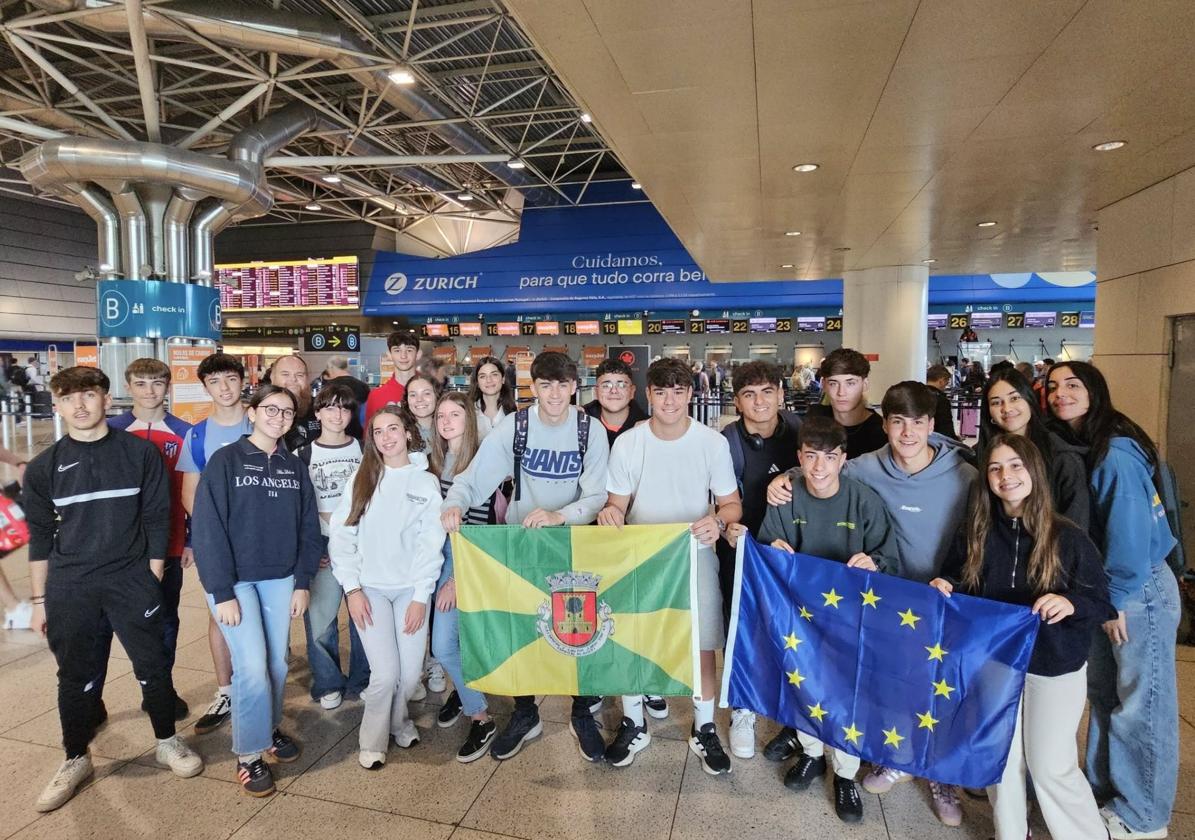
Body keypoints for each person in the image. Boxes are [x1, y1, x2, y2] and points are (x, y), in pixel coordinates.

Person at [767, 381, 978, 825]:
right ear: (885, 426)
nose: (907, 432)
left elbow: (893, 546)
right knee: (852, 685)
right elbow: (814, 468)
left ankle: (929, 774)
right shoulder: (864, 468)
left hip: (937, 597)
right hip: (865, 607)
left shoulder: (965, 475)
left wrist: (880, 563)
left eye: (917, 423)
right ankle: (846, 755)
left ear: (932, 425)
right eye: (898, 422)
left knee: (929, 690)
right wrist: (780, 480)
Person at [21, 366, 203, 812]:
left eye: (88, 395)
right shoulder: (44, 468)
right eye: (68, 398)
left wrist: (152, 576)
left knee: (153, 664)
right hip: (71, 584)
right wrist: (40, 601)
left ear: (106, 399)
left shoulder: (139, 454)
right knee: (75, 675)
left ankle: (166, 740)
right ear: (57, 406)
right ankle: (75, 756)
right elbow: (40, 539)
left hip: (131, 579)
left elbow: (158, 517)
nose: (79, 405)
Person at [931, 433, 1113, 840]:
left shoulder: (1068, 537)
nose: (1005, 476)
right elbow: (956, 578)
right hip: (994, 664)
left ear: (1034, 471)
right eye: (995, 468)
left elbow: (1102, 603)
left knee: (1051, 766)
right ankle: (1010, 833)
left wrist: (1070, 604)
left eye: (1015, 465)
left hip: (1054, 666)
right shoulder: (974, 532)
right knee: (1000, 759)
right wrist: (945, 584)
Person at [441, 351, 610, 763]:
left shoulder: (589, 430)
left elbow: (596, 496)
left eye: (562, 385)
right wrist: (455, 503)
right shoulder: (516, 427)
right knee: (521, 628)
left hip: (572, 544)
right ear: (533, 387)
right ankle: (525, 712)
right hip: (522, 543)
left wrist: (559, 515)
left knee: (578, 628)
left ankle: (582, 711)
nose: (554, 395)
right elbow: (473, 478)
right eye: (545, 386)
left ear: (575, 387)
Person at [731, 415, 897, 823]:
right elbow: (765, 553)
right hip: (802, 616)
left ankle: (846, 773)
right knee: (803, 684)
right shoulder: (786, 497)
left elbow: (890, 558)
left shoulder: (864, 501)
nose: (819, 467)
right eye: (810, 457)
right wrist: (774, 552)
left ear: (843, 459)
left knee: (844, 694)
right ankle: (810, 753)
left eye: (829, 457)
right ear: (799, 457)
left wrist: (874, 562)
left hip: (850, 621)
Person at [1047, 361, 1179, 840]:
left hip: (1136, 591)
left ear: (1095, 391)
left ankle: (1144, 818)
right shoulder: (1088, 444)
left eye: (1073, 385)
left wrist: (1114, 601)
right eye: (1053, 387)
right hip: (1109, 589)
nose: (1060, 394)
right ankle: (1106, 795)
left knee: (1143, 705)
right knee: (1105, 698)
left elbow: (1128, 538)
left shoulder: (1116, 453)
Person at [597, 357, 742, 776]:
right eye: (661, 393)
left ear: (691, 394)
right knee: (633, 638)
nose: (670, 401)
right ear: (648, 395)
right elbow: (617, 503)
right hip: (641, 554)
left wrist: (718, 522)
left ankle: (704, 727)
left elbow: (731, 504)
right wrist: (610, 514)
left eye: (678, 392)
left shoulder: (711, 443)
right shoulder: (629, 443)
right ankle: (634, 722)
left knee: (702, 643)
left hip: (694, 553)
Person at [191, 384, 322, 797]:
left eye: (287, 412)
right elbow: (207, 528)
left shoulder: (294, 466)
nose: (279, 417)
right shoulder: (226, 460)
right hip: (234, 581)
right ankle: (248, 754)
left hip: (280, 578)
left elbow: (308, 528)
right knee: (251, 666)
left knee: (277, 664)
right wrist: (221, 591)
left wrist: (302, 582)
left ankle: (267, 728)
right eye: (271, 409)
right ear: (252, 412)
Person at [329, 404, 445, 770]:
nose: (386, 437)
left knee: (409, 676)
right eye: (378, 432)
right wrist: (352, 590)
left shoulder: (425, 482)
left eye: (393, 428)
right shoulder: (362, 478)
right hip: (370, 591)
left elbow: (431, 545)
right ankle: (372, 742)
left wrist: (421, 597)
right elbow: (342, 535)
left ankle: (399, 722)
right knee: (384, 675)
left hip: (410, 591)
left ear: (408, 433)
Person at [96, 358, 193, 721]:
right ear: (128, 387)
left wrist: (191, 539)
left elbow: (191, 490)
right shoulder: (110, 430)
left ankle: (160, 690)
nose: (149, 391)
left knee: (165, 619)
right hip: (114, 548)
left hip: (168, 543)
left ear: (168, 386)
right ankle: (91, 698)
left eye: (157, 383)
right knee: (101, 624)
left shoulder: (185, 432)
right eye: (141, 383)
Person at [716, 360, 802, 758]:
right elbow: (714, 497)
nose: (760, 402)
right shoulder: (726, 442)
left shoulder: (801, 432)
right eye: (749, 394)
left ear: (781, 394)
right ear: (737, 401)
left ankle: (796, 716)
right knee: (741, 631)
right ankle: (743, 708)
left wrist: (794, 474)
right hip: (741, 550)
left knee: (793, 632)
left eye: (768, 392)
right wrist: (724, 525)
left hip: (792, 552)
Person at [177, 353, 253, 736]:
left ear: (243, 380)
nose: (224, 388)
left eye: (230, 379)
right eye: (214, 381)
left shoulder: (262, 421)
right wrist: (215, 532)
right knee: (220, 615)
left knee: (262, 613)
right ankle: (225, 691)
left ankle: (257, 687)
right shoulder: (197, 436)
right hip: (218, 542)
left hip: (260, 540)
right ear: (205, 387)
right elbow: (189, 493)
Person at [427, 391, 497, 762]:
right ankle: (464, 691)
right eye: (441, 416)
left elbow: (478, 528)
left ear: (469, 419)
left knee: (443, 645)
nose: (446, 421)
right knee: (455, 641)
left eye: (454, 414)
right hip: (434, 558)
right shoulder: (435, 460)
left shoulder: (480, 462)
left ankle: (481, 716)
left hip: (461, 559)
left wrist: (456, 580)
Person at [294, 382, 368, 711]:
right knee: (321, 619)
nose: (337, 414)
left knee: (364, 616)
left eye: (344, 408)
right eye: (330, 407)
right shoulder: (303, 454)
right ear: (318, 412)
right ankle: (327, 681)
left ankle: (363, 678)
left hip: (359, 541)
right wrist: (312, 548)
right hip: (321, 542)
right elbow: (299, 508)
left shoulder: (365, 450)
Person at [977, 367, 1090, 528]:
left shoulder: (1061, 456)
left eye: (1015, 398)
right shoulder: (982, 454)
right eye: (996, 402)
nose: (1006, 408)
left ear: (1030, 400)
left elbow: (1076, 526)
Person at [804, 348, 887, 459]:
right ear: (823, 385)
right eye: (833, 383)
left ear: (865, 384)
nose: (841, 392)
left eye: (850, 383)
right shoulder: (815, 421)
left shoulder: (880, 431)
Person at [583, 358, 648, 448]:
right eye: (606, 385)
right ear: (595, 392)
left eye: (621, 385)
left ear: (632, 391)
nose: (614, 391)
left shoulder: (648, 427)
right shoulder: (579, 421)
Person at [364, 331, 420, 421]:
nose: (403, 356)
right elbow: (370, 429)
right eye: (397, 350)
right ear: (389, 355)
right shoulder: (376, 396)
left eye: (409, 350)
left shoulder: (432, 390)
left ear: (418, 354)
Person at [272, 355, 320, 452]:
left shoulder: (321, 408)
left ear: (307, 379)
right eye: (285, 374)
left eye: (299, 375)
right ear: (272, 377)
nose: (293, 379)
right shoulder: (261, 411)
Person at [322, 355, 370, 440]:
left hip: (335, 436)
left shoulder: (329, 387)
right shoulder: (364, 387)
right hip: (360, 435)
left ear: (331, 368)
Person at [469, 355, 517, 437]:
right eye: (482, 376)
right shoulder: (468, 412)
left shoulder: (514, 415)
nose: (489, 380)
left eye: (494, 374)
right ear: (477, 383)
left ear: (503, 379)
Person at [400, 373, 440, 443]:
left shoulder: (448, 430)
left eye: (426, 393)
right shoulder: (400, 434)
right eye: (413, 395)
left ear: (437, 396)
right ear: (406, 400)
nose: (419, 399)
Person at [925, 363, 958, 440]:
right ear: (941, 381)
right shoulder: (941, 400)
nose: (946, 385)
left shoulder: (917, 395)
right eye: (947, 381)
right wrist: (954, 439)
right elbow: (945, 427)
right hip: (937, 441)